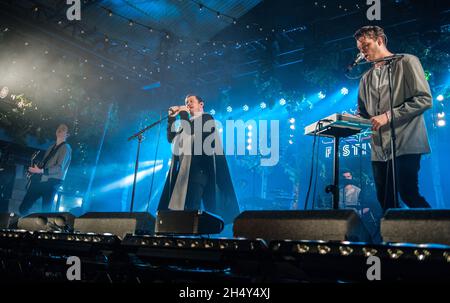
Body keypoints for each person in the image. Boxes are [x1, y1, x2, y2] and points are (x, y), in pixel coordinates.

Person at [354, 25, 432, 212]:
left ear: (380, 40)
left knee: (408, 193)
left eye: (366, 46)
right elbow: (364, 114)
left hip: (406, 143)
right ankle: (395, 239)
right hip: (379, 149)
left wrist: (388, 116)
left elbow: (424, 99)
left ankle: (439, 232)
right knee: (385, 200)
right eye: (359, 49)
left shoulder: (407, 61)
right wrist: (350, 120)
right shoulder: (365, 78)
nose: (363, 52)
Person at [157, 95, 240, 224]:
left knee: (191, 207)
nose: (188, 104)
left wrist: (183, 113)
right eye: (186, 102)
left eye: (191, 101)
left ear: (201, 104)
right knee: (181, 209)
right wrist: (171, 119)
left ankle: (191, 235)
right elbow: (171, 138)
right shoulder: (185, 125)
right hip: (184, 172)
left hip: (198, 172)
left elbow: (192, 132)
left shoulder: (206, 118)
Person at [19, 124, 72, 215]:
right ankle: (30, 224)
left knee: (46, 213)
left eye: (63, 129)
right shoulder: (51, 147)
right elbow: (45, 165)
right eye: (58, 128)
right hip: (41, 180)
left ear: (67, 134)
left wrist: (40, 171)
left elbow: (59, 168)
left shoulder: (66, 148)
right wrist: (35, 170)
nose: (60, 130)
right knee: (23, 208)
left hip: (52, 182)